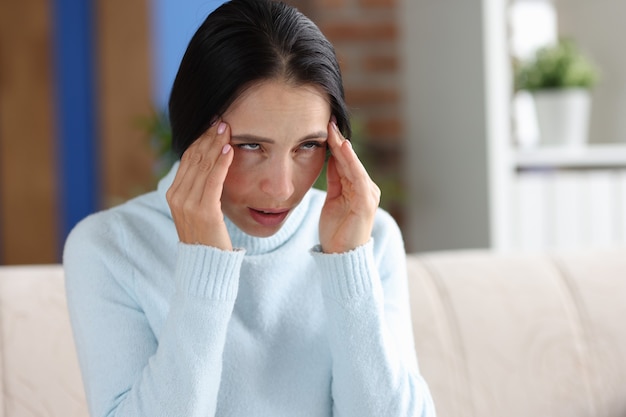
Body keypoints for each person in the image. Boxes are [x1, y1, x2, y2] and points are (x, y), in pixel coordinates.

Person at [63, 0, 436, 416]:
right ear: (194, 134)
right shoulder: (109, 247)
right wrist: (204, 263)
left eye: (307, 146)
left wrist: (349, 264)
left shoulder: (369, 235)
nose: (281, 188)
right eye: (251, 146)